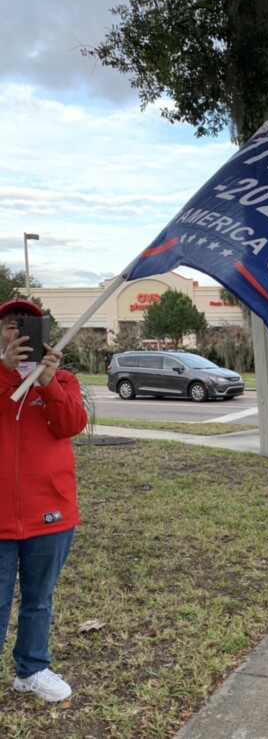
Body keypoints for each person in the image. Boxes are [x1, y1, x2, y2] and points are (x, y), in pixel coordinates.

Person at [0, 298, 88, 702]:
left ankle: (31, 669)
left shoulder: (64, 380)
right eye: (9, 326)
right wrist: (5, 372)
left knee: (39, 598)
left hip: (50, 515)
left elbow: (70, 424)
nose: (17, 332)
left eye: (27, 327)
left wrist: (48, 383)